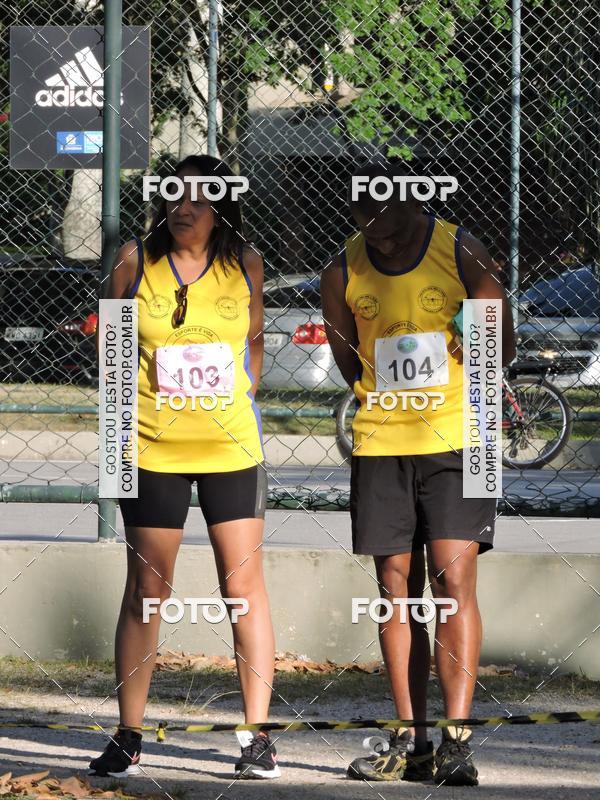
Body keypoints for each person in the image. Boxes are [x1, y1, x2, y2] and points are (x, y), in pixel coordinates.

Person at [321, 161, 516, 786]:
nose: (379, 234)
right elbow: (350, 361)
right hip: (382, 442)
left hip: (464, 437)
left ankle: (457, 741)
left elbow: (503, 346)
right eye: (365, 223)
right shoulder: (341, 270)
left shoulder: (459, 248)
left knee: (455, 581)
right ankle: (412, 740)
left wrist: (472, 330)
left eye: (389, 221)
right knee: (393, 590)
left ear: (414, 202)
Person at [90, 154, 280, 780]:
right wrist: (121, 447)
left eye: (200, 196)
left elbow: (253, 351)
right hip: (151, 450)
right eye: (175, 194)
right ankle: (129, 734)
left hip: (230, 451)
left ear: (223, 203)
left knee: (242, 588)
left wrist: (231, 404)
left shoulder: (245, 262)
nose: (185, 206)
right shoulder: (132, 263)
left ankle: (256, 739)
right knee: (148, 592)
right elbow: (110, 353)